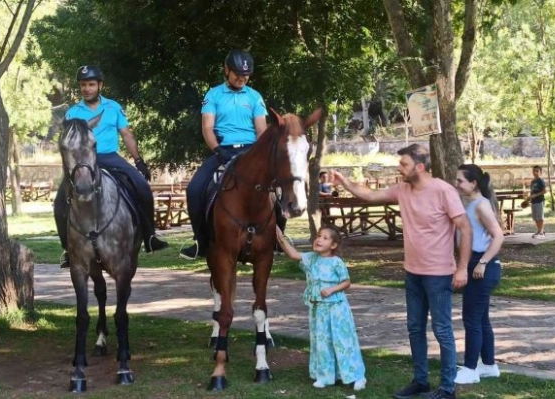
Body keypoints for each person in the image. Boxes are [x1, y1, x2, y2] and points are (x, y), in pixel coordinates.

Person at [330, 143, 472, 399]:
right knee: (415, 328)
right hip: (412, 272)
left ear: (419, 166)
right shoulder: (402, 189)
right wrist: (345, 182)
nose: (399, 168)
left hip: (439, 274)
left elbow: (465, 228)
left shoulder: (443, 191)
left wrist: (462, 268)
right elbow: (371, 195)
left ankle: (447, 388)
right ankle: (421, 381)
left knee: (442, 330)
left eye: (404, 164)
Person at [54, 65, 169, 268]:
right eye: (83, 85)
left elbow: (126, 134)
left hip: (109, 157)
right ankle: (67, 249)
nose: (87, 89)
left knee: (141, 186)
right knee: (59, 202)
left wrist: (139, 160)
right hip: (82, 163)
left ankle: (150, 236)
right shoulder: (72, 113)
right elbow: (66, 144)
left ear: (100, 85)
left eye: (91, 84)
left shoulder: (113, 107)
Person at [180, 50, 286, 260]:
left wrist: (262, 155)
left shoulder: (255, 97)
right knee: (194, 189)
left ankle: (278, 238)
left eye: (246, 75)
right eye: (237, 73)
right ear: (226, 70)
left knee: (281, 188)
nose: (241, 78)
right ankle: (200, 241)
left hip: (251, 151)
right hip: (223, 150)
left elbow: (261, 131)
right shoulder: (213, 95)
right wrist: (217, 150)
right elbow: (207, 128)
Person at [275, 225, 366, 392]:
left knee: (342, 341)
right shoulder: (311, 258)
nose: (319, 239)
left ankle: (356, 376)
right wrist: (281, 237)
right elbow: (293, 254)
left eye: (325, 238)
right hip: (318, 310)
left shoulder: (336, 262)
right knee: (322, 341)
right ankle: (325, 375)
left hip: (336, 309)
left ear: (333, 245)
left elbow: (346, 282)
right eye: (318, 236)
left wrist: (331, 289)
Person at [453, 164, 504, 385]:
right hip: (476, 263)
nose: (457, 184)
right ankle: (489, 365)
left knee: (471, 319)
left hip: (481, 264)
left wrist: (482, 262)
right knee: (481, 319)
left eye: (460, 180)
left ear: (473, 183)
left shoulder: (481, 205)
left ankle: (471, 368)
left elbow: (499, 236)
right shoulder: (474, 203)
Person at [527, 165, 547, 238]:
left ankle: (541, 232)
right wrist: (529, 198)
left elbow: (545, 191)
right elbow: (532, 191)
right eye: (534, 171)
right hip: (533, 201)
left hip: (539, 200)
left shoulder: (540, 181)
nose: (535, 172)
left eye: (537, 171)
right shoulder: (533, 181)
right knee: (535, 217)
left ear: (540, 172)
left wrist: (535, 195)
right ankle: (539, 230)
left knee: (540, 216)